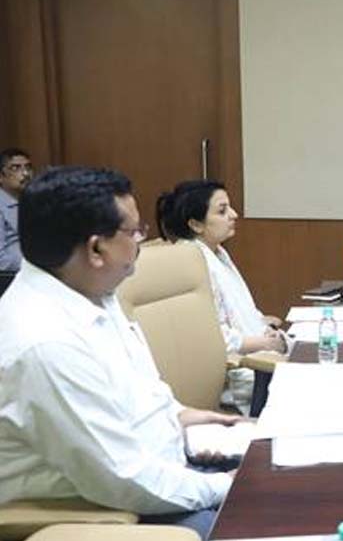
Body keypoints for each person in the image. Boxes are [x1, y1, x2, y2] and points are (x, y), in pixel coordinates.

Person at [0, 167, 237, 540]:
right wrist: (228, 485)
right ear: (96, 249)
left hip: (171, 467)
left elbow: (136, 391)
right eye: (134, 231)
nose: (142, 240)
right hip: (119, 511)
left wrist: (181, 416)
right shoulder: (46, 344)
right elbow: (125, 478)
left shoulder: (91, 290)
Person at [157, 179, 288, 414]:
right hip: (238, 371)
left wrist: (262, 326)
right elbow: (212, 338)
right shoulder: (191, 261)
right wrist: (265, 343)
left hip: (257, 354)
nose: (234, 215)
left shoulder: (217, 252)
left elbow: (237, 309)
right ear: (196, 224)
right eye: (222, 210)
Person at [0, 148, 32, 271]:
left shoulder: (34, 200)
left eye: (28, 167)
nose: (25, 173)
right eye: (15, 168)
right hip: (12, 275)